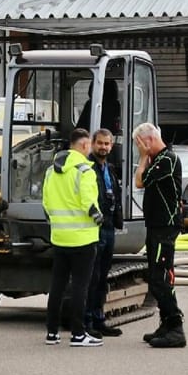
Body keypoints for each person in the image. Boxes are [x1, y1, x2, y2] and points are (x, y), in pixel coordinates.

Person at [43, 130, 103, 347]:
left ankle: (52, 332)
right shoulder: (85, 171)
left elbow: (47, 203)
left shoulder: (52, 170)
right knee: (80, 286)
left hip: (59, 237)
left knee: (57, 285)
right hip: (83, 239)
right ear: (85, 145)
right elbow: (88, 202)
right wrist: (98, 216)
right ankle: (78, 334)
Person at [132, 122, 186, 348]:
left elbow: (139, 180)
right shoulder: (160, 160)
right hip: (156, 225)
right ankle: (166, 322)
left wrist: (143, 158)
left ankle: (175, 327)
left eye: (140, 145)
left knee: (160, 277)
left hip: (165, 225)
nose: (139, 150)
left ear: (148, 140)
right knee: (155, 275)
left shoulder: (167, 160)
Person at [83, 128, 124, 339]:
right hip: (95, 228)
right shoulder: (88, 168)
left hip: (109, 227)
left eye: (107, 144)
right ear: (92, 144)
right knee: (93, 276)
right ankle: (87, 320)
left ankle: (99, 319)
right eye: (100, 143)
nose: (104, 147)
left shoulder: (110, 169)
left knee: (103, 277)